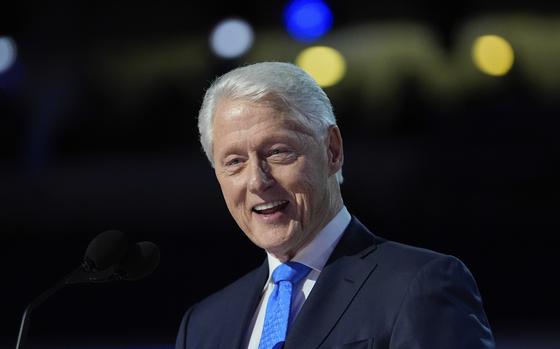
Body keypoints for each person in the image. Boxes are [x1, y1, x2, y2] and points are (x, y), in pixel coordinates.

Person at [175, 62, 495, 349]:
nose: (257, 181)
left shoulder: (419, 286)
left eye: (278, 152)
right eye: (234, 162)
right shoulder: (203, 326)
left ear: (332, 151)